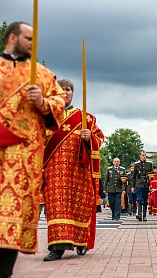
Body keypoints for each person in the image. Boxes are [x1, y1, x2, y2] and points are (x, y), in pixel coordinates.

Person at [0, 21, 65, 276]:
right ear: (13, 37)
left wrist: (43, 102)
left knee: (11, 225)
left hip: (24, 160)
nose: (32, 43)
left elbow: (59, 103)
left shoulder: (42, 75)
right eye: (28, 38)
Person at [42, 78, 104, 261]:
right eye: (62, 89)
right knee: (56, 209)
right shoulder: (47, 117)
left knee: (79, 208)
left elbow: (100, 139)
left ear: (72, 93)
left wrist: (89, 137)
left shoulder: (86, 118)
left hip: (78, 172)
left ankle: (81, 241)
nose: (65, 92)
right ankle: (57, 247)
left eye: (68, 89)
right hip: (54, 173)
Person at [132, 150, 153, 221]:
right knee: (140, 199)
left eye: (145, 155)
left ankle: (144, 216)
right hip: (138, 184)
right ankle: (139, 214)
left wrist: (151, 178)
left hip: (146, 184)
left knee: (145, 200)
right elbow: (133, 176)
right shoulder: (136, 165)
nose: (144, 157)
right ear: (140, 156)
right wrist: (132, 186)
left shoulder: (149, 164)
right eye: (143, 155)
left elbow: (151, 174)